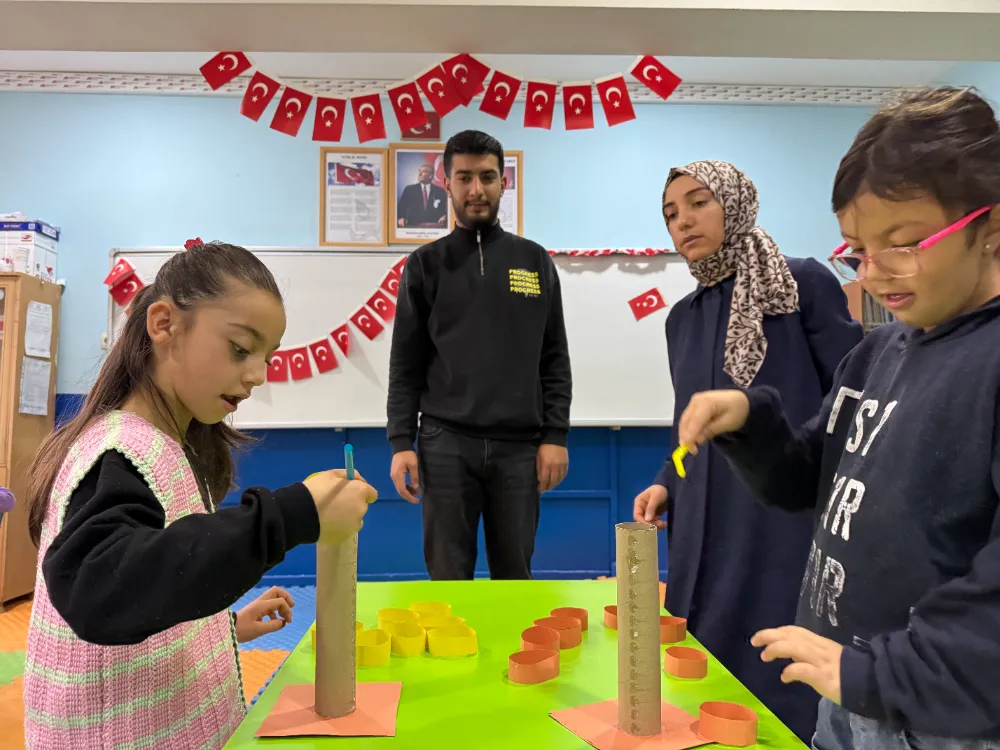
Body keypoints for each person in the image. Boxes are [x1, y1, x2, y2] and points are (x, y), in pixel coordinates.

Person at [676, 86, 1000, 749]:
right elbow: (806, 483)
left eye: (903, 244)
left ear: (991, 230)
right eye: (856, 249)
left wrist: (883, 672)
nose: (875, 273)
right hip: (847, 694)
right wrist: (749, 422)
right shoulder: (879, 351)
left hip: (941, 718)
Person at [22, 241, 377, 749]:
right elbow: (98, 589)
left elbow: (158, 577)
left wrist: (223, 628)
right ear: (164, 324)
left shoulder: (167, 445)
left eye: (267, 357)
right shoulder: (117, 452)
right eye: (240, 348)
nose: (257, 375)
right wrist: (294, 513)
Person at [633, 160, 862, 742]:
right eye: (670, 213)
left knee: (778, 653)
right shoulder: (681, 318)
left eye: (698, 202)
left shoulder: (801, 283)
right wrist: (666, 477)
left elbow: (851, 393)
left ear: (736, 203)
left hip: (781, 510)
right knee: (704, 650)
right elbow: (689, 418)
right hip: (703, 515)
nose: (683, 220)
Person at [387, 130, 572, 581]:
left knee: (515, 574)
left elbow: (555, 357)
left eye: (487, 177)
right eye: (464, 177)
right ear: (447, 183)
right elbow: (405, 364)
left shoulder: (534, 261)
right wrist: (399, 443)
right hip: (444, 443)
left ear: (503, 182)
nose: (476, 190)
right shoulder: (425, 265)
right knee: (449, 575)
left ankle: (513, 654)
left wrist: (556, 436)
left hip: (520, 448)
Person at [397, 162, 448, 227]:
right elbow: (401, 207)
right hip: (412, 226)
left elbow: (445, 210)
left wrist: (444, 217)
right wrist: (400, 218)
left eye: (423, 171)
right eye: (419, 171)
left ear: (431, 176)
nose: (420, 174)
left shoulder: (440, 191)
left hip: (434, 227)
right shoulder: (409, 189)